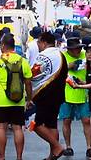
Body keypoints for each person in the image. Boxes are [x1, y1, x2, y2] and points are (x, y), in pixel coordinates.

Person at [0, 34, 33, 160]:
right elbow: (28, 82)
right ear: (14, 46)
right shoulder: (23, 61)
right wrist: (29, 98)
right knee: (18, 129)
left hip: (1, 101)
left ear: (3, 46)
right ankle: (19, 157)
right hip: (18, 100)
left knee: (1, 128)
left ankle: (2, 157)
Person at [30, 32, 68, 160]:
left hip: (44, 95)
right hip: (58, 96)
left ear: (44, 42)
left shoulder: (43, 56)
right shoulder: (61, 55)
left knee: (36, 125)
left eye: (39, 43)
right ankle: (53, 155)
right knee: (52, 125)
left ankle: (57, 147)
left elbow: (33, 74)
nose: (38, 46)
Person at [59, 37, 91, 158]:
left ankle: (89, 147)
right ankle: (68, 146)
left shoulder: (85, 55)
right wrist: (69, 66)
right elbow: (58, 71)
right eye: (75, 49)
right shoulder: (62, 57)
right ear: (69, 49)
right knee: (66, 120)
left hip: (83, 92)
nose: (78, 51)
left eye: (79, 48)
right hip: (67, 94)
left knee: (86, 120)